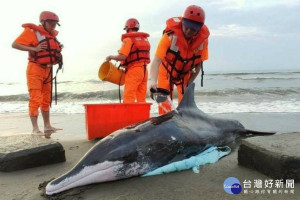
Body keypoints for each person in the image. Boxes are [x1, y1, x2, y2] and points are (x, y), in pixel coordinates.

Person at [149, 5, 210, 114]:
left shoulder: (203, 41)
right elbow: (157, 60)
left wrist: (190, 82)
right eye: (187, 26)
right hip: (166, 72)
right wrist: (152, 81)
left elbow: (198, 66)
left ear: (199, 28)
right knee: (165, 109)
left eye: (193, 29)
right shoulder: (169, 36)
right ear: (182, 22)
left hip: (184, 74)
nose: (188, 31)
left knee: (186, 109)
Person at [12, 11, 63, 138]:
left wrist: (58, 48)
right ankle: (35, 129)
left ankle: (47, 125)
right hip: (35, 69)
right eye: (51, 23)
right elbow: (15, 44)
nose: (53, 26)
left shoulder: (52, 35)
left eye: (55, 24)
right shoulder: (32, 32)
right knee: (35, 98)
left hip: (48, 69)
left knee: (46, 99)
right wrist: (33, 49)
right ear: (43, 22)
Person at [106, 18, 150, 103]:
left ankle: (129, 116)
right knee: (141, 98)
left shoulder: (128, 39)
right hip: (144, 72)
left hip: (134, 71)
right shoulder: (144, 40)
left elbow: (123, 56)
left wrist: (111, 57)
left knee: (128, 97)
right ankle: (142, 115)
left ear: (128, 28)